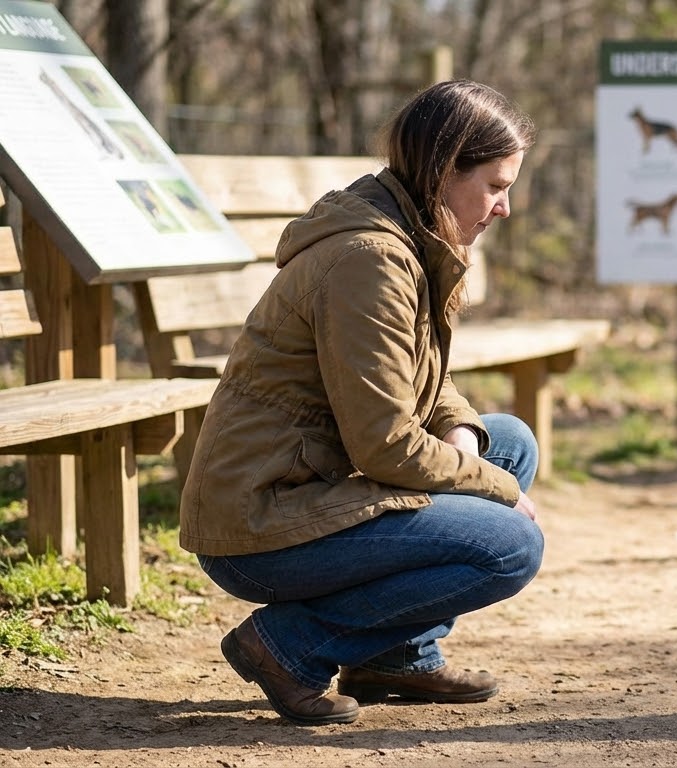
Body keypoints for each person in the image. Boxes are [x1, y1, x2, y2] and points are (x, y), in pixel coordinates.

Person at [177, 80, 544, 726]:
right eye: (493, 185)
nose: (504, 207)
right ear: (441, 170)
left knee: (507, 441)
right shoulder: (369, 262)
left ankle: (396, 654)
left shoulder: (409, 233)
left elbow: (418, 376)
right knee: (511, 546)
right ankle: (290, 646)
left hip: (317, 481)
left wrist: (458, 427)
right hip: (261, 520)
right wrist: (494, 487)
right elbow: (384, 442)